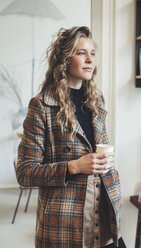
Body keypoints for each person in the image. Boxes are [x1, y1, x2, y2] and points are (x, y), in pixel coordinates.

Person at [16, 26, 126, 248]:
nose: (89, 60)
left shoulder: (97, 100)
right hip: (65, 226)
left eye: (92, 53)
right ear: (64, 58)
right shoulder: (42, 106)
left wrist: (106, 162)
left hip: (105, 217)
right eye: (81, 53)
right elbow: (25, 173)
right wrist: (74, 166)